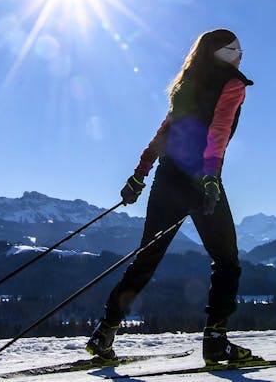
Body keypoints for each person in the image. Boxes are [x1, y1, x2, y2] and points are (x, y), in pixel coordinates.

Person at [85, 29, 258, 365]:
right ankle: (216, 343)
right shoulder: (233, 84)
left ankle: (104, 332)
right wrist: (210, 176)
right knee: (227, 262)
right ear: (224, 54)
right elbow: (218, 130)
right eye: (236, 49)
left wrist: (140, 174)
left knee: (146, 259)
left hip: (168, 178)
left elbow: (166, 130)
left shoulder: (187, 83)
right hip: (200, 179)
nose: (241, 54)